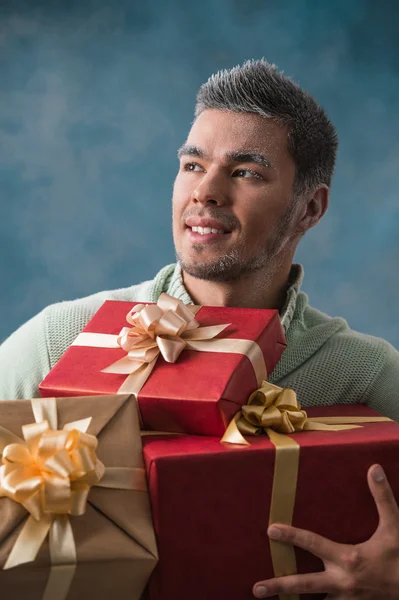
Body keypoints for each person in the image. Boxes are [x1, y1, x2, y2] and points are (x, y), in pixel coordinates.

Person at [1, 59, 399, 598]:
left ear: (310, 207)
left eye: (246, 172)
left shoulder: (366, 374)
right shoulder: (63, 336)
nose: (205, 192)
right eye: (192, 165)